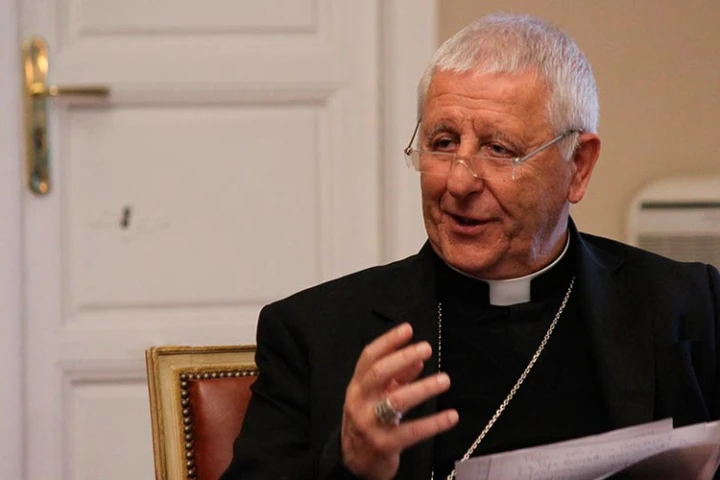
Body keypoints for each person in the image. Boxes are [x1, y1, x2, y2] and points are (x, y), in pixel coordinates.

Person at [221, 12, 720, 480]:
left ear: (579, 166)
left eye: (498, 149)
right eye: (442, 143)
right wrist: (351, 463)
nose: (458, 182)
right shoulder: (314, 335)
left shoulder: (690, 306)